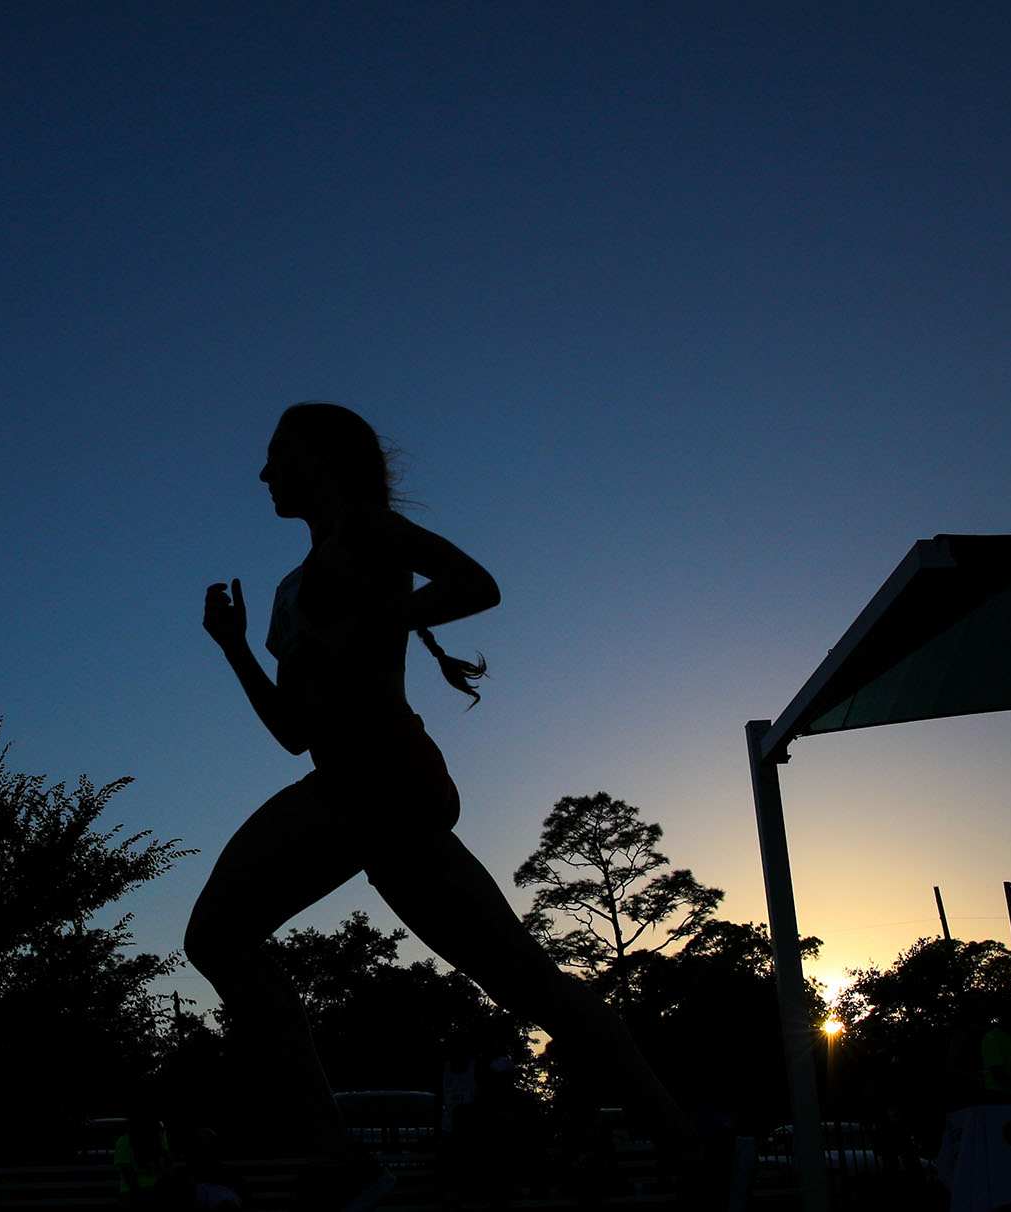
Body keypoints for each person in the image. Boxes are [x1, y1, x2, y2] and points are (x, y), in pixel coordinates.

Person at [186, 403, 701, 1212]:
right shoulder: (289, 590)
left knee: (216, 934)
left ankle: (338, 1157)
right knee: (529, 984)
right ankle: (694, 1153)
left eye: (277, 453)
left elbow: (476, 585)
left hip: (377, 777)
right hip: (373, 791)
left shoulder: (365, 528)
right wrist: (236, 649)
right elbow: (292, 733)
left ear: (324, 454)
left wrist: (366, 623)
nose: (262, 473)